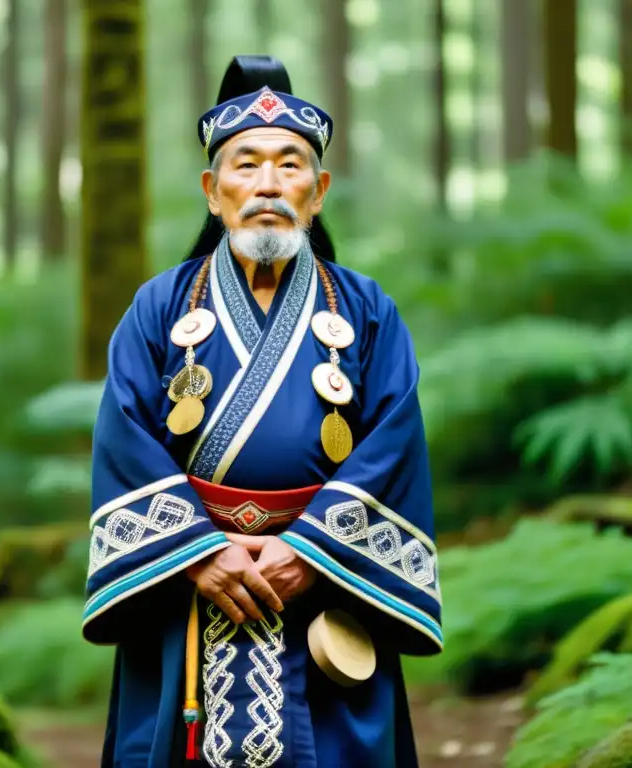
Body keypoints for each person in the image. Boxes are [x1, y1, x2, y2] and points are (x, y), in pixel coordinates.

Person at [83, 54, 443, 768]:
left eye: (290, 165)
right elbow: (123, 436)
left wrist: (310, 551)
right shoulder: (159, 306)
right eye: (246, 166)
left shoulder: (367, 311)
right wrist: (199, 552)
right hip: (189, 591)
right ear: (214, 192)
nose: (269, 185)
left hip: (324, 590)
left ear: (319, 191)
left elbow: (393, 439)